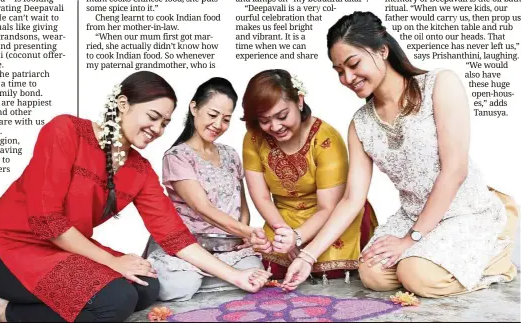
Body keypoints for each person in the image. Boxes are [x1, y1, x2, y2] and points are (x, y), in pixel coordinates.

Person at [0, 71, 271, 322]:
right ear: (123, 104)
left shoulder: (139, 169)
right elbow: (47, 221)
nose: (157, 129)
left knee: (147, 287)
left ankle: (15, 309)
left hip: (63, 250)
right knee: (115, 300)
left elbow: (175, 236)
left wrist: (236, 277)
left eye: (165, 123)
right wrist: (113, 263)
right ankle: (3, 313)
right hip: (7, 247)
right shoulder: (66, 131)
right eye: (152, 117)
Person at [281, 11, 518, 298]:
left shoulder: (440, 84)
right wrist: (307, 257)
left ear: (383, 50)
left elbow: (455, 170)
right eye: (339, 71)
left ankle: (496, 256)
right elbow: (352, 199)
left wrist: (411, 239)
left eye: (353, 64)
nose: (347, 78)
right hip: (412, 214)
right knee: (371, 273)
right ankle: (426, 255)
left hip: (463, 210)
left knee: (415, 275)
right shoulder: (361, 124)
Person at [242, 69, 378, 283]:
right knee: (271, 272)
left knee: (330, 274)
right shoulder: (253, 138)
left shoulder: (326, 139)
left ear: (299, 101)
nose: (275, 127)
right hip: (282, 218)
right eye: (264, 120)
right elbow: (261, 197)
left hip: (330, 216)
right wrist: (283, 234)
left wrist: (297, 238)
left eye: (282, 116)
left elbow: (328, 206)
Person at [143, 77, 263, 301]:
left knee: (256, 272)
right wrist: (247, 232)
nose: (218, 124)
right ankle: (211, 277)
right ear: (194, 107)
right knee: (180, 286)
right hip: (190, 247)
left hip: (229, 245)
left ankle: (214, 278)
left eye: (226, 119)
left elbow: (242, 206)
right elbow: (203, 208)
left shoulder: (230, 154)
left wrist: (241, 237)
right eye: (213, 114)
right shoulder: (177, 156)